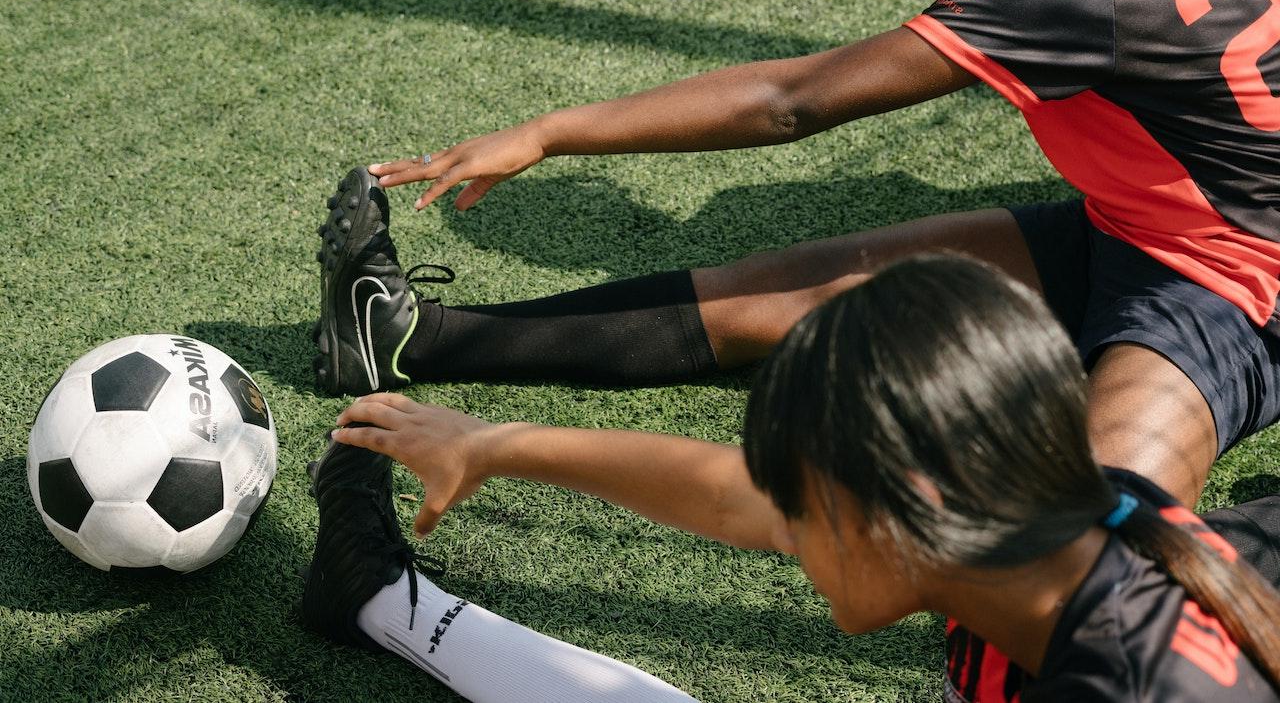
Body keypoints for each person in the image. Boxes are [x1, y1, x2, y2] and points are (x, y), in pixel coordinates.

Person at [312, 0, 1280, 519]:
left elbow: (793, 98)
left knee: (1096, 531)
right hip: (1140, 226)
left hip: (1238, 276)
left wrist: (549, 131)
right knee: (782, 292)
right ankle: (407, 338)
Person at [301, 255, 1280, 701]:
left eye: (805, 512)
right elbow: (740, 495)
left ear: (917, 501)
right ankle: (380, 598)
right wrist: (493, 442)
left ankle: (384, 600)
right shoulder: (1070, 517)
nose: (789, 540)